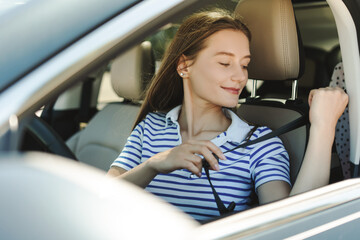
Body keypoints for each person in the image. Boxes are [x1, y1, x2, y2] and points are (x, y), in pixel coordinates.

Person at [107, 10, 348, 221]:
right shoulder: (151, 127)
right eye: (225, 63)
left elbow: (289, 223)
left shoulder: (260, 143)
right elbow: (102, 197)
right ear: (184, 66)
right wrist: (153, 165)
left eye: (244, 64)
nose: (240, 77)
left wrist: (324, 126)